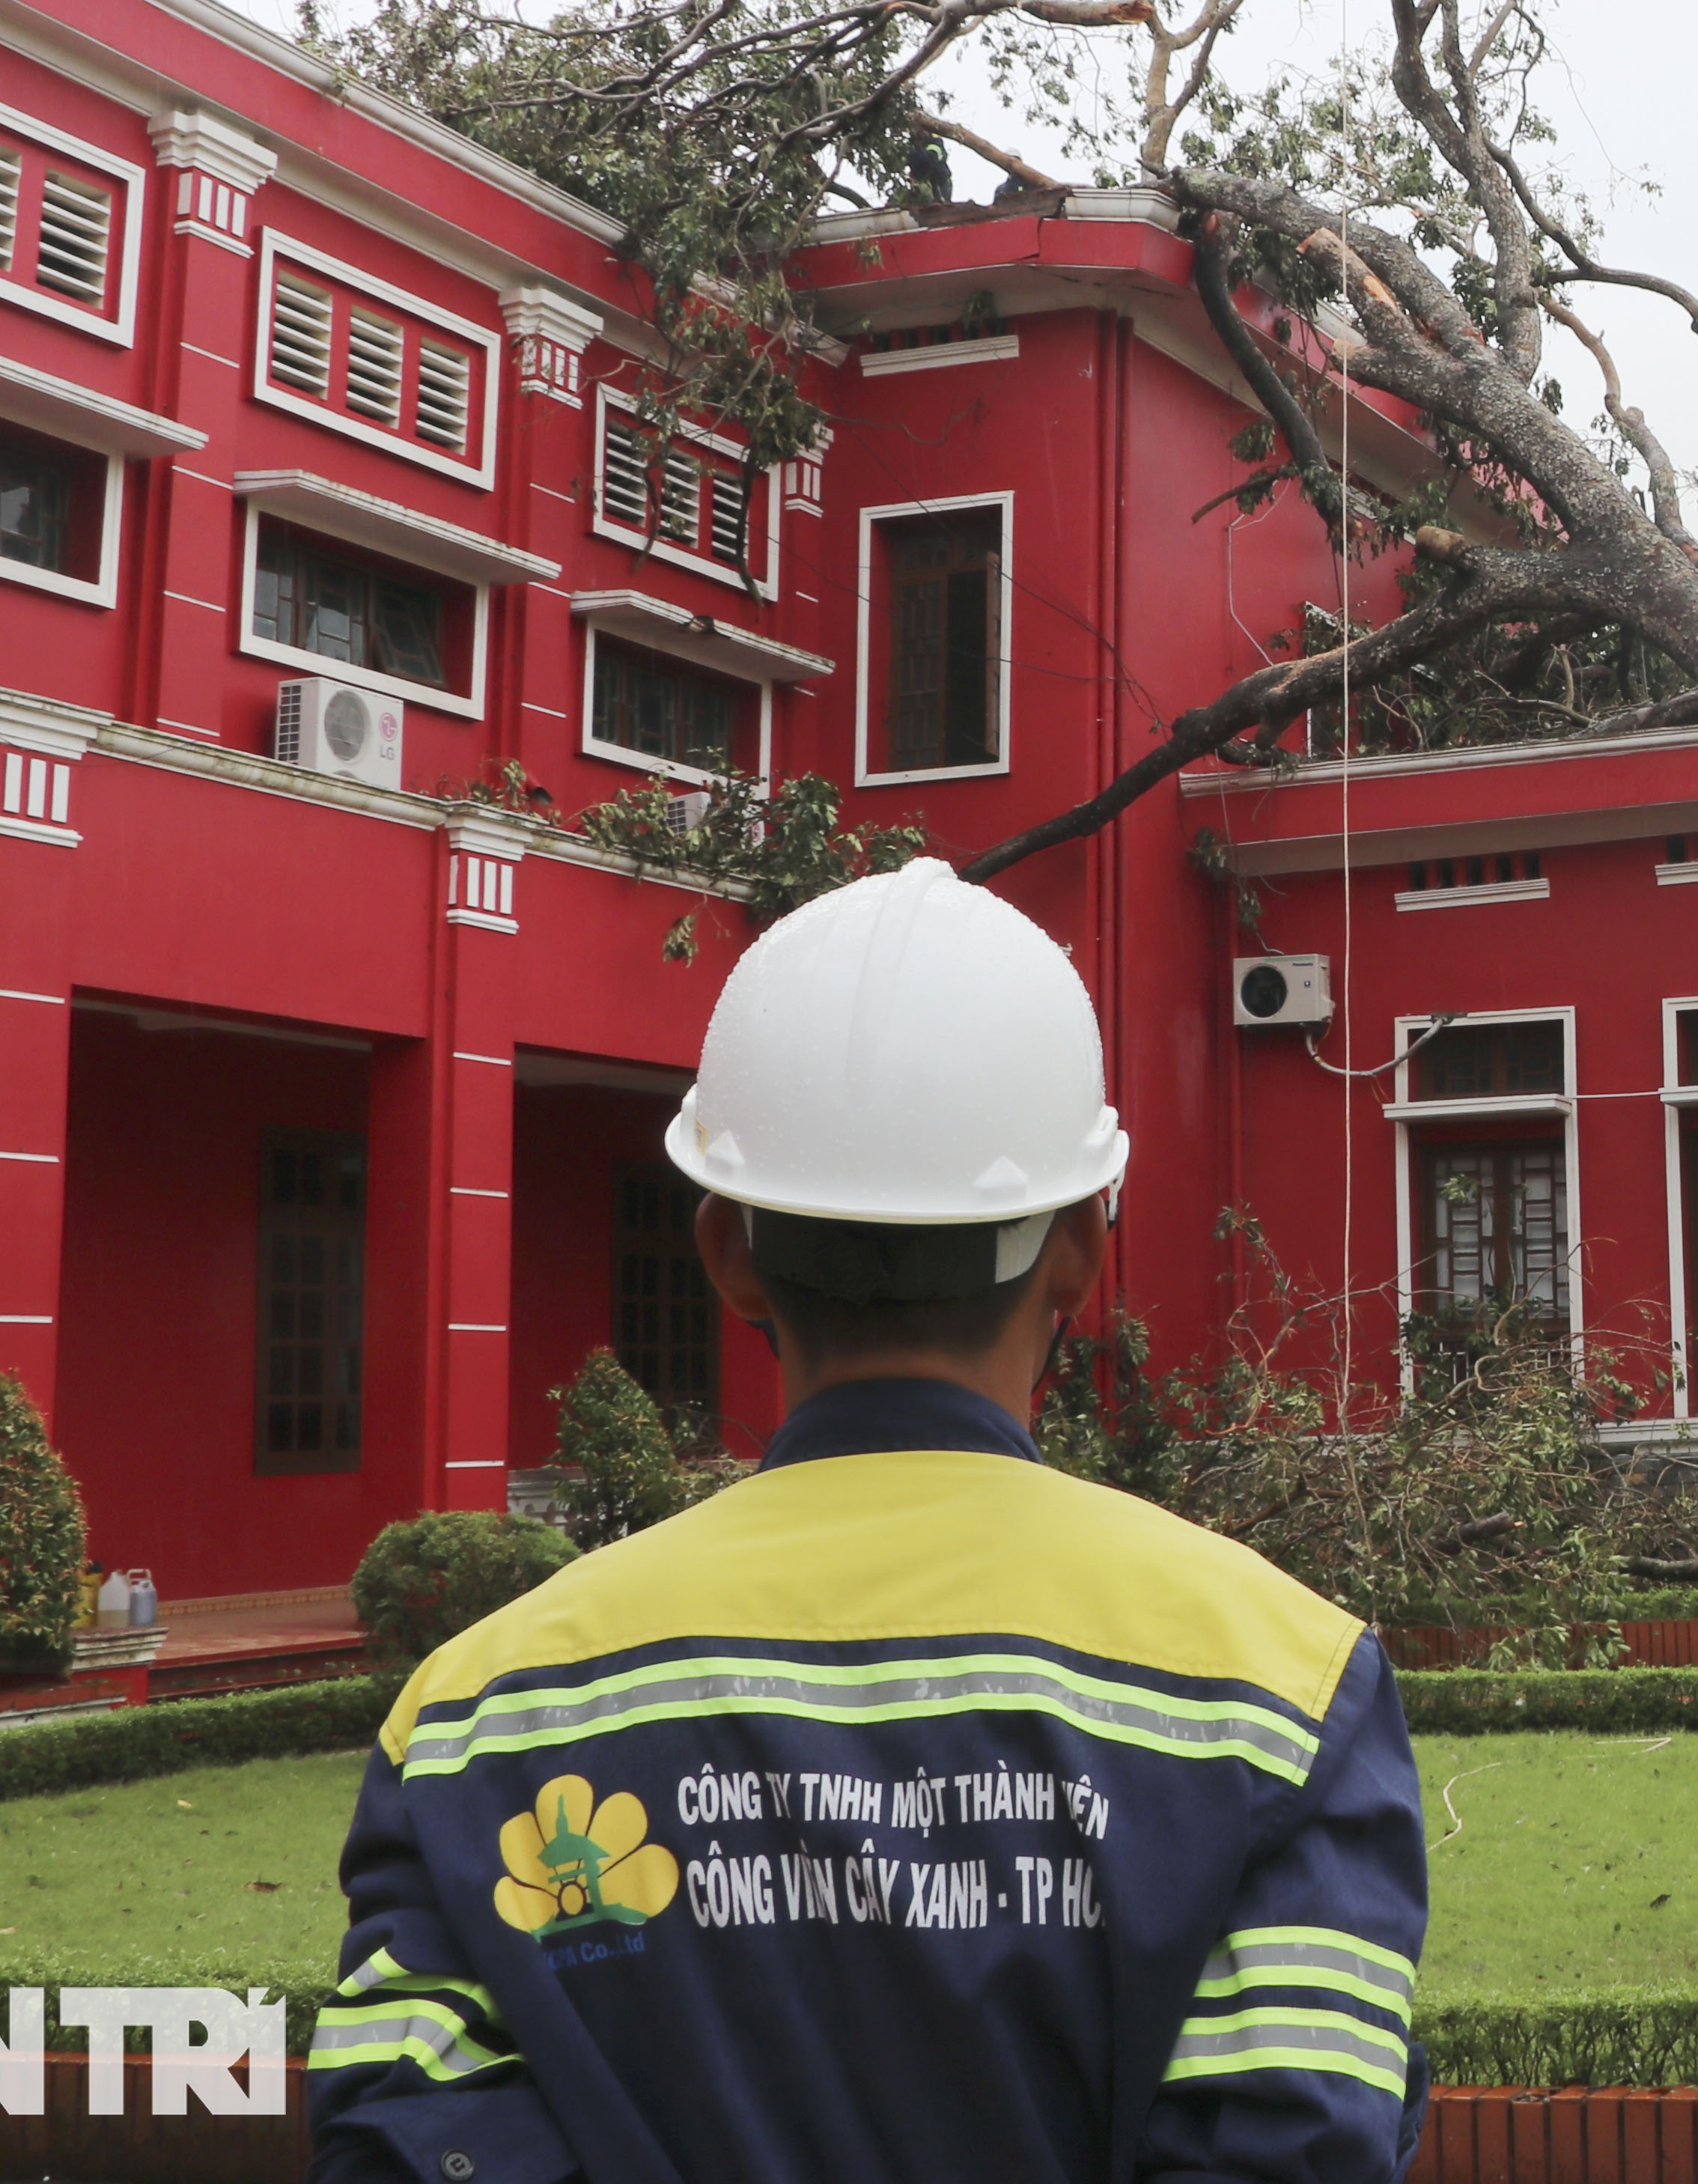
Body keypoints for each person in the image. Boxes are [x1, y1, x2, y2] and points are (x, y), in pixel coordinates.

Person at [308, 859, 1427, 2184]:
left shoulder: (473, 1720)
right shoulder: (1282, 1693)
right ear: (1079, 1247)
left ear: (724, 1254)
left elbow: (403, 2142)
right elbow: (1293, 2147)